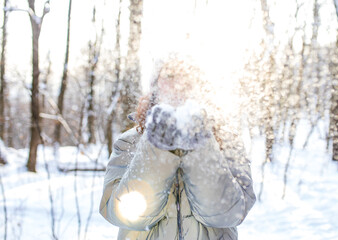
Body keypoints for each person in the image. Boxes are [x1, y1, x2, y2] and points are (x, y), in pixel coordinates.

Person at [99, 58, 256, 240]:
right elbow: (122, 214)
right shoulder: (129, 143)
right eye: (170, 75)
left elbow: (228, 213)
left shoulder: (227, 142)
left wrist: (201, 145)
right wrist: (156, 145)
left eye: (189, 76)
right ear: (156, 83)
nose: (180, 84)